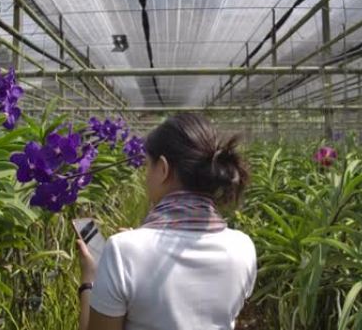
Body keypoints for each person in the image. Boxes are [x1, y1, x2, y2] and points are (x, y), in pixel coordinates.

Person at [75, 113, 257, 330]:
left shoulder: (122, 250)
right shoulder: (243, 247)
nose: (145, 177)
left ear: (162, 168)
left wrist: (90, 279)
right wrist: (140, 243)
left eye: (147, 166)